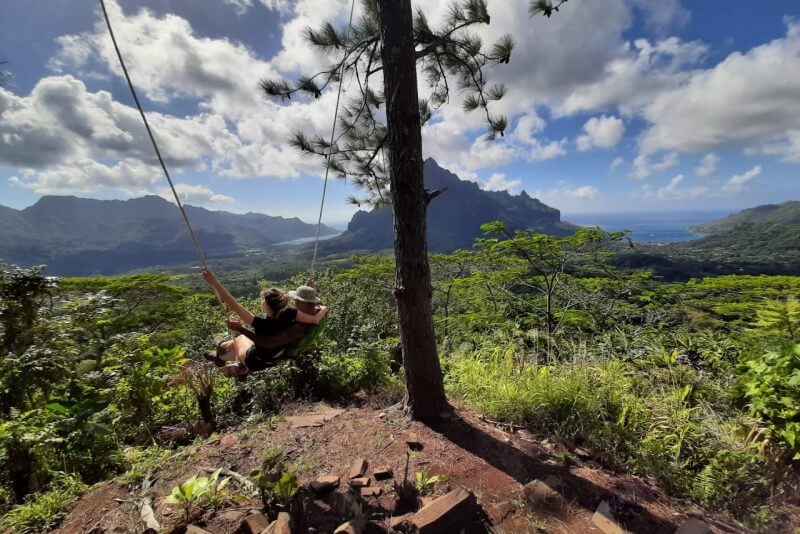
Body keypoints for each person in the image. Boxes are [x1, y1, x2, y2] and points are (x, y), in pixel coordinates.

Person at [202, 269, 326, 377]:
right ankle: (224, 354)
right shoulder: (290, 313)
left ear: (265, 304)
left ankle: (221, 353)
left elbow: (234, 304)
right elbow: (310, 313)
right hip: (275, 358)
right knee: (243, 342)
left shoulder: (260, 324)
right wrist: (323, 307)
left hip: (256, 361)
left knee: (240, 339)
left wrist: (214, 283)